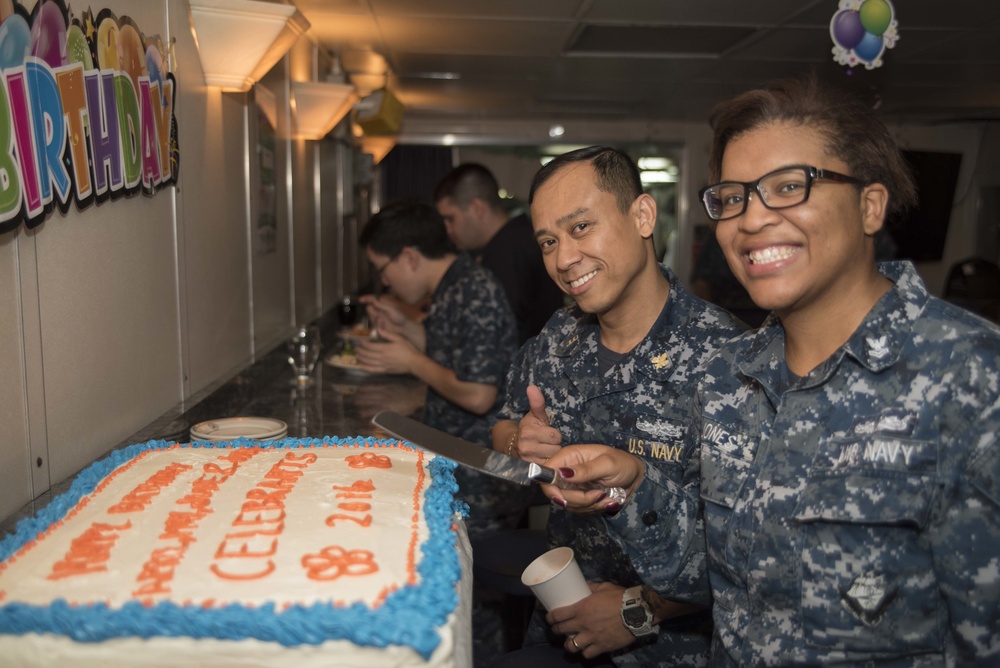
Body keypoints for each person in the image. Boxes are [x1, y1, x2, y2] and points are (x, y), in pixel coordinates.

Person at [538, 77, 1000, 666]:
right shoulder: (729, 375)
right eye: (733, 198)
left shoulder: (973, 378)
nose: (751, 220)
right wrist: (630, 484)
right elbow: (716, 577)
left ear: (869, 205)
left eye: (788, 187)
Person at [490, 146, 745, 667]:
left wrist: (637, 610)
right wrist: (520, 441)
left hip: (674, 643)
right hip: (562, 620)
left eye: (581, 227)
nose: (563, 259)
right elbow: (502, 425)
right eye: (548, 241)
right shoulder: (560, 335)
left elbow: (748, 554)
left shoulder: (728, 361)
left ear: (643, 216)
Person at [356, 199, 534, 667]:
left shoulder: (473, 288)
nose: (386, 282)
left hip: (481, 472)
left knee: (468, 595)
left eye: (384, 270)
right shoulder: (456, 285)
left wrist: (411, 360)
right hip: (461, 460)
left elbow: (478, 393)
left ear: (409, 256)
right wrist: (413, 337)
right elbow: (457, 357)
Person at [434, 163, 565, 346]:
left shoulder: (507, 251)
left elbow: (503, 336)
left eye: (450, 218)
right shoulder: (518, 238)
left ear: (477, 208)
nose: (448, 230)